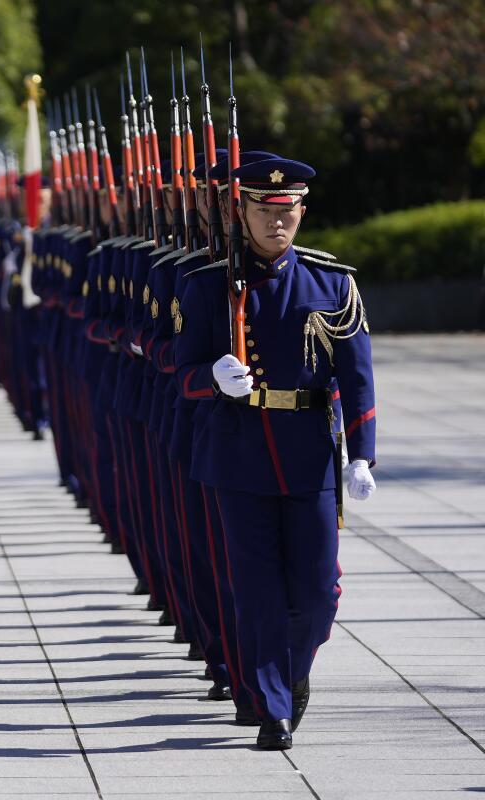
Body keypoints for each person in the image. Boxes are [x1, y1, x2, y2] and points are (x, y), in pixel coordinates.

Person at [174, 156, 377, 750]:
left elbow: (358, 377)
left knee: (318, 589)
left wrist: (361, 454)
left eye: (286, 213)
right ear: (243, 211)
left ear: (302, 213)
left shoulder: (331, 285)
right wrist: (213, 376)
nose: (276, 224)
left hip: (309, 451)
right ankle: (272, 706)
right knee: (257, 588)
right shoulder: (210, 285)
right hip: (238, 455)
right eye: (264, 211)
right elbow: (181, 370)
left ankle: (293, 669)